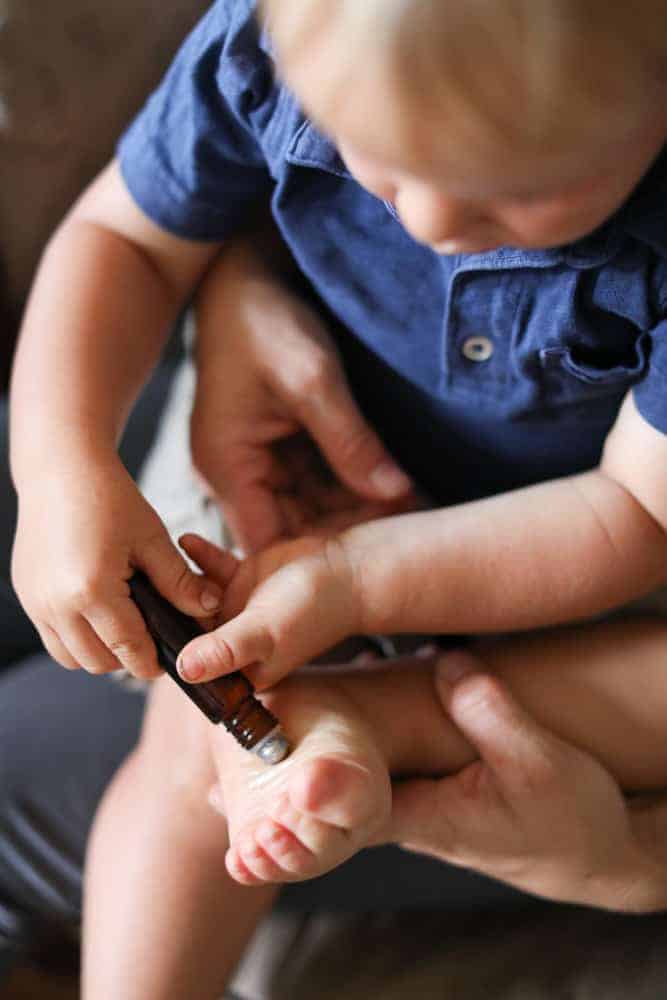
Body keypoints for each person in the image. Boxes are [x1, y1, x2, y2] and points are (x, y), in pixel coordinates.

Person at [9, 0, 667, 994]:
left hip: (554, 563)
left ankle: (369, 728)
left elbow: (634, 513)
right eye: (374, 157)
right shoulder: (265, 43)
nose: (434, 222)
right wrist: (57, 465)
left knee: (203, 757)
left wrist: (356, 582)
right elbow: (126, 241)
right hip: (290, 458)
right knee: (193, 722)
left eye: (523, 191)